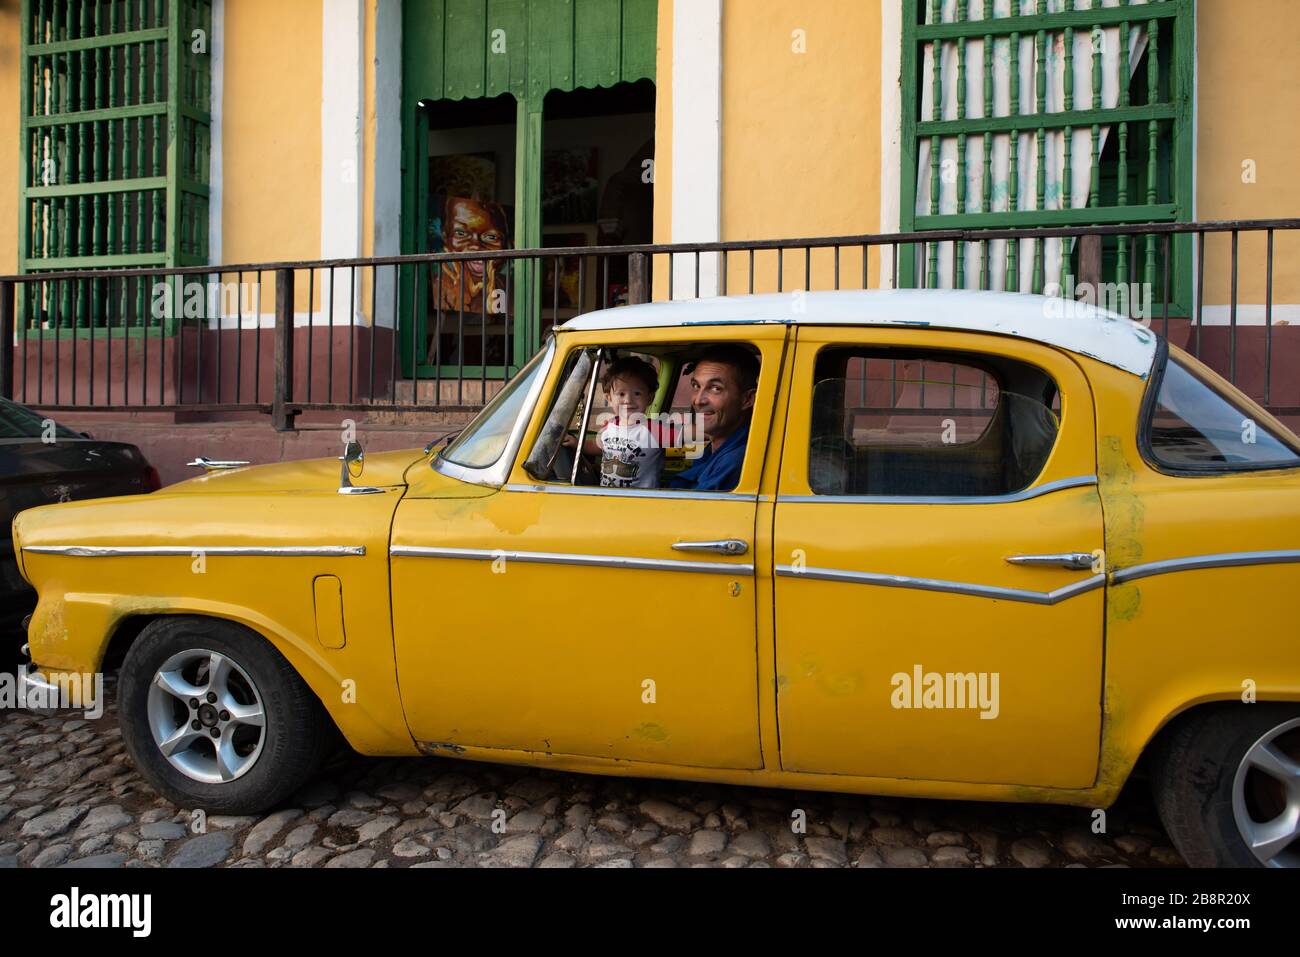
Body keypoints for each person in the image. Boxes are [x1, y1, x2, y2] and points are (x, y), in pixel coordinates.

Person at [565, 356, 677, 489]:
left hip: (642, 503)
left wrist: (706, 429)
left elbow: (692, 433)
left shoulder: (654, 430)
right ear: (609, 398)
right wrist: (577, 444)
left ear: (650, 398)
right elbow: (597, 446)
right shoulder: (609, 426)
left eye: (637, 393)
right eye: (621, 394)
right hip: (608, 497)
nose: (628, 400)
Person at [667, 345, 760, 492]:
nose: (698, 400)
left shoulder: (735, 462)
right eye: (696, 386)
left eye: (716, 388)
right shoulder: (716, 448)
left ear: (747, 399)